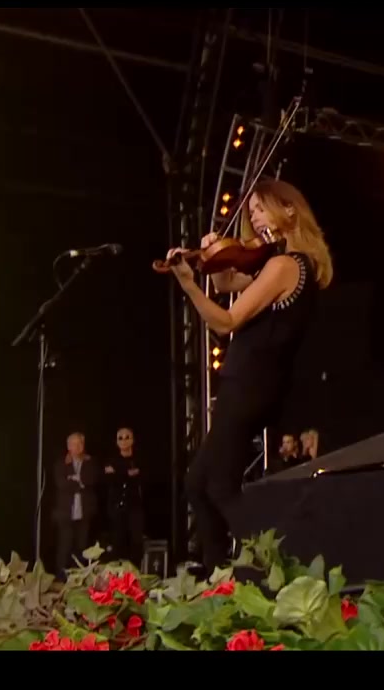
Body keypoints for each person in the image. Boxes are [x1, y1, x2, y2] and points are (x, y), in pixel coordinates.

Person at [166, 179, 333, 571]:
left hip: (249, 386)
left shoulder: (283, 266)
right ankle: (219, 572)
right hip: (257, 386)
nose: (255, 218)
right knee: (198, 483)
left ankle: (272, 564)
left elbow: (225, 321)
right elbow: (227, 282)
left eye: (261, 208)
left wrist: (189, 284)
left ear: (289, 209)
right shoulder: (287, 264)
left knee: (219, 486)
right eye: (252, 211)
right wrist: (212, 261)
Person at [52, 432, 100, 575]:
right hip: (66, 512)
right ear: (68, 446)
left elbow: (91, 480)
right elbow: (62, 484)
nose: (77, 447)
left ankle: (80, 576)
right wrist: (80, 482)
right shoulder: (61, 463)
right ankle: (62, 576)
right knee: (65, 545)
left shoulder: (90, 462)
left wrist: (76, 479)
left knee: (82, 546)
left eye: (80, 443)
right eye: (74, 444)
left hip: (85, 511)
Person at [104, 427, 145, 565]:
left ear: (132, 440)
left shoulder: (139, 459)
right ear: (116, 442)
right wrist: (127, 473)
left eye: (127, 437)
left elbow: (142, 477)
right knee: (117, 540)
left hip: (134, 506)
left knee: (136, 541)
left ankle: (135, 571)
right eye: (120, 438)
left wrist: (118, 473)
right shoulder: (111, 460)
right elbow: (110, 480)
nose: (124, 440)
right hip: (116, 506)